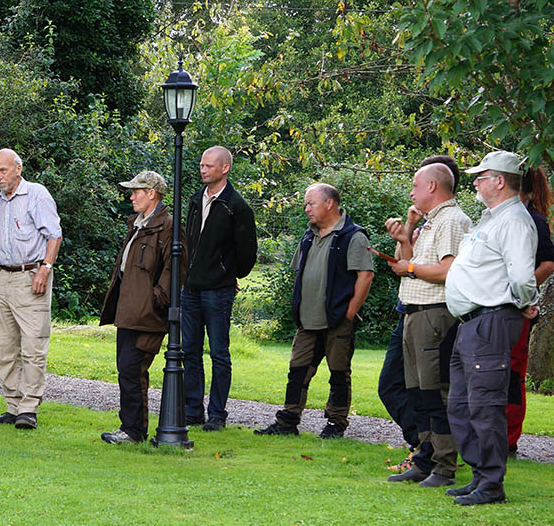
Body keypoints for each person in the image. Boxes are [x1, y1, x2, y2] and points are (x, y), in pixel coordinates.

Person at [446, 150, 539, 505]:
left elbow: (520, 275)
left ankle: (491, 483)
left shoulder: (513, 220)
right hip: (472, 322)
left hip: (490, 320)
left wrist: (524, 301)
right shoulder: (490, 218)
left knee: (484, 404)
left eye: (481, 176)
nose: (475, 182)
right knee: (461, 403)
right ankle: (480, 474)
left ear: (500, 181)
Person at [255, 183, 373, 438]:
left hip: (337, 320)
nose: (307, 209)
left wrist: (350, 313)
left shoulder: (353, 236)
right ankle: (288, 421)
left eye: (311, 203)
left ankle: (336, 424)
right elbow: (300, 273)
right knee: (298, 371)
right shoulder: (308, 236)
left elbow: (365, 276)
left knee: (339, 373)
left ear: (329, 204)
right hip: (307, 320)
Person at [384, 163, 471, 488]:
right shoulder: (431, 222)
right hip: (414, 311)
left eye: (415, 185)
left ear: (432, 187)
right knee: (418, 391)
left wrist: (411, 266)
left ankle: (444, 465)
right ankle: (424, 458)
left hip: (435, 312)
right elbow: (407, 266)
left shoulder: (451, 221)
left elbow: (449, 271)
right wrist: (407, 235)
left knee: (435, 391)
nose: (411, 192)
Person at [98, 171, 183, 444]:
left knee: (133, 369)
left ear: (152, 194)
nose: (131, 196)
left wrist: (156, 299)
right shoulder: (137, 223)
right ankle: (130, 429)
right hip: (129, 311)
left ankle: (133, 432)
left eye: (137, 191)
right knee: (126, 369)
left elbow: (175, 269)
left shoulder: (168, 226)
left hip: (147, 314)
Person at [181, 146, 257, 431]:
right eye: (201, 165)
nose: (203, 170)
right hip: (190, 288)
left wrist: (228, 274)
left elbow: (247, 252)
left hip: (218, 290)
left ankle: (217, 414)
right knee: (189, 350)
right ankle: (192, 409)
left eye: (208, 166)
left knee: (218, 353)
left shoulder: (236, 206)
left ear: (225, 168)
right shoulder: (194, 201)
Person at [0, 148, 62, 430]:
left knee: (33, 346)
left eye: (3, 170)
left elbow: (54, 234)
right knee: (3, 348)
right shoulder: (0, 202)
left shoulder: (37, 195)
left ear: (18, 169)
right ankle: (12, 405)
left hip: (30, 276)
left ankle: (29, 408)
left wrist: (45, 268)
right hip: (3, 278)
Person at [506, 167, 554, 455]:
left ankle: (509, 439)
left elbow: (548, 264)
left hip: (519, 309)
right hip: (504, 309)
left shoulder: (533, 220)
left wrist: (520, 290)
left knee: (512, 374)